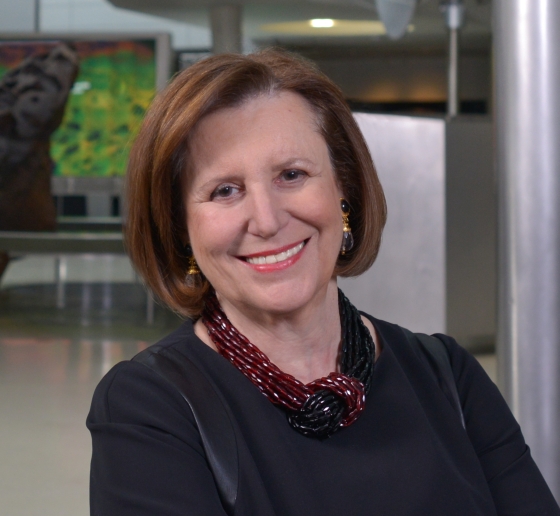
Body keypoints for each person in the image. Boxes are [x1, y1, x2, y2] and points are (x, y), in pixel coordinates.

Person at [87, 49, 560, 515]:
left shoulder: (447, 377)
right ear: (180, 228)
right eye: (224, 190)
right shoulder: (148, 409)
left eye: (292, 175)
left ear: (344, 192)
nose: (267, 220)